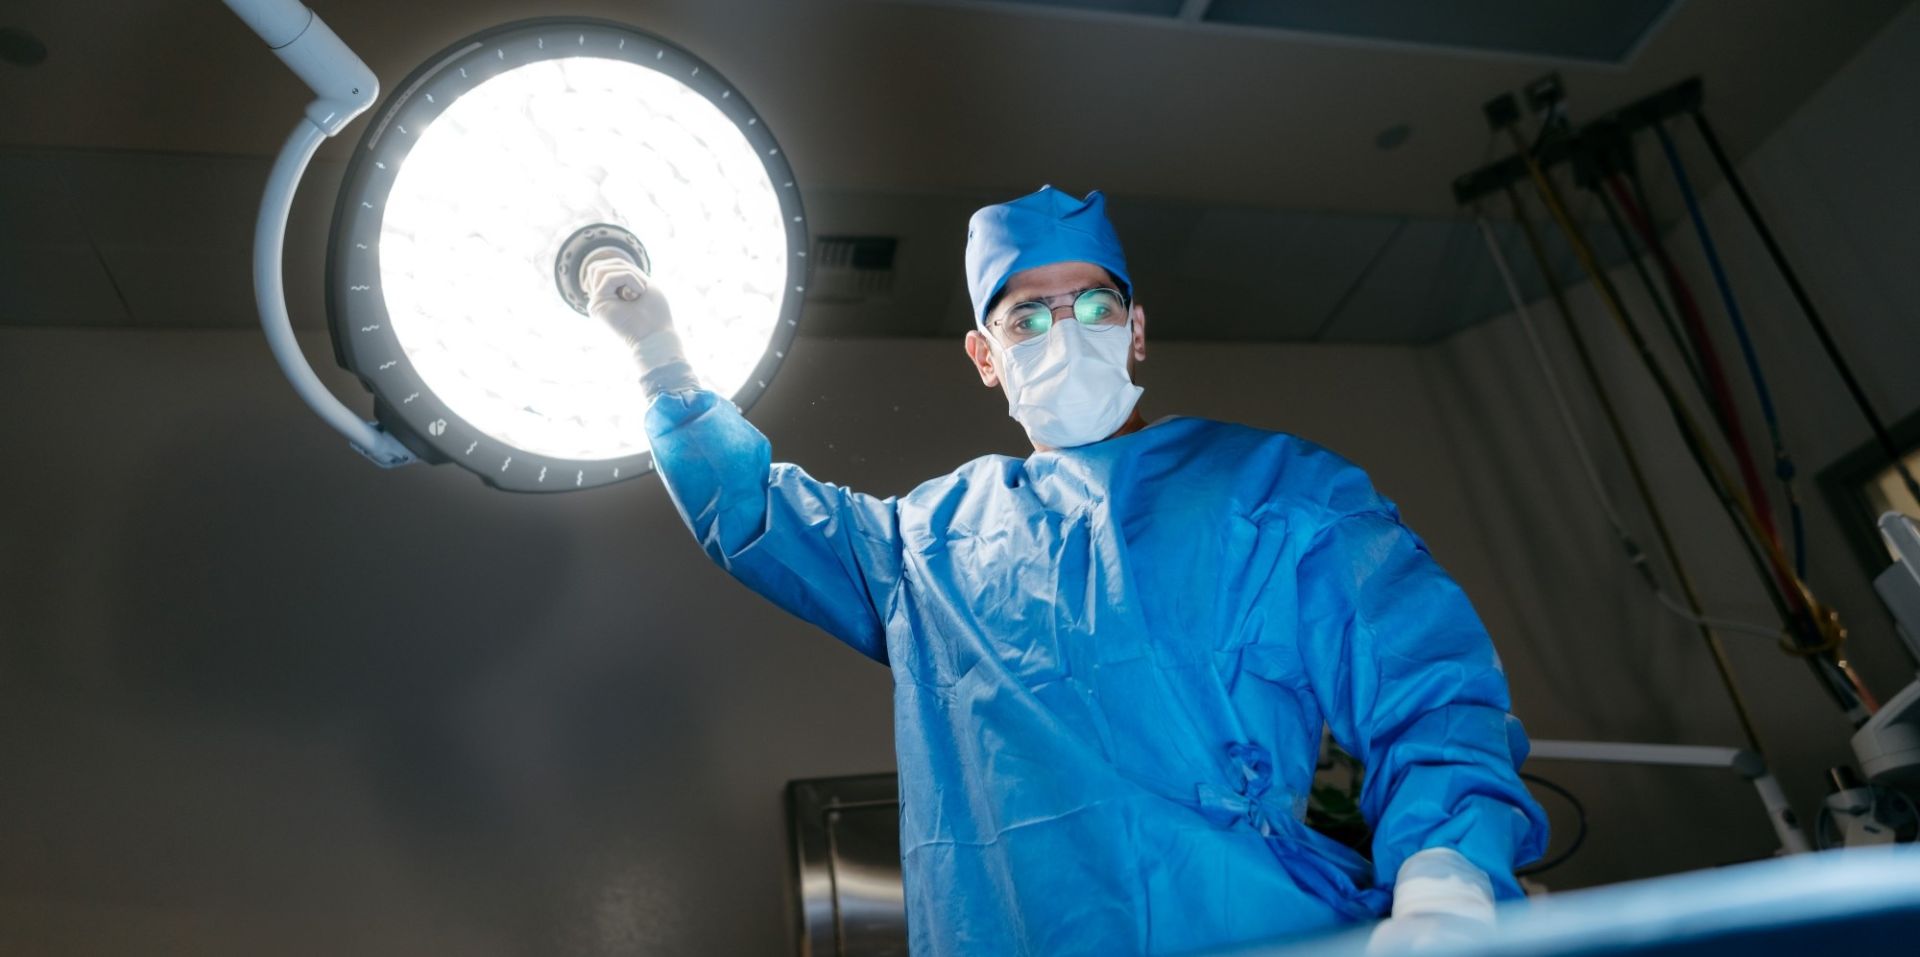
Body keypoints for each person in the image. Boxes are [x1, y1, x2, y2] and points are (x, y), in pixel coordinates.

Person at [585, 186, 1548, 956]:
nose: (1067, 331)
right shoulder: (928, 545)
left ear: (1136, 331)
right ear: (984, 357)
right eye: (1028, 316)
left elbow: (1432, 692)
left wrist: (1445, 885)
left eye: (1094, 305)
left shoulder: (1275, 492)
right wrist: (657, 356)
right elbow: (753, 515)